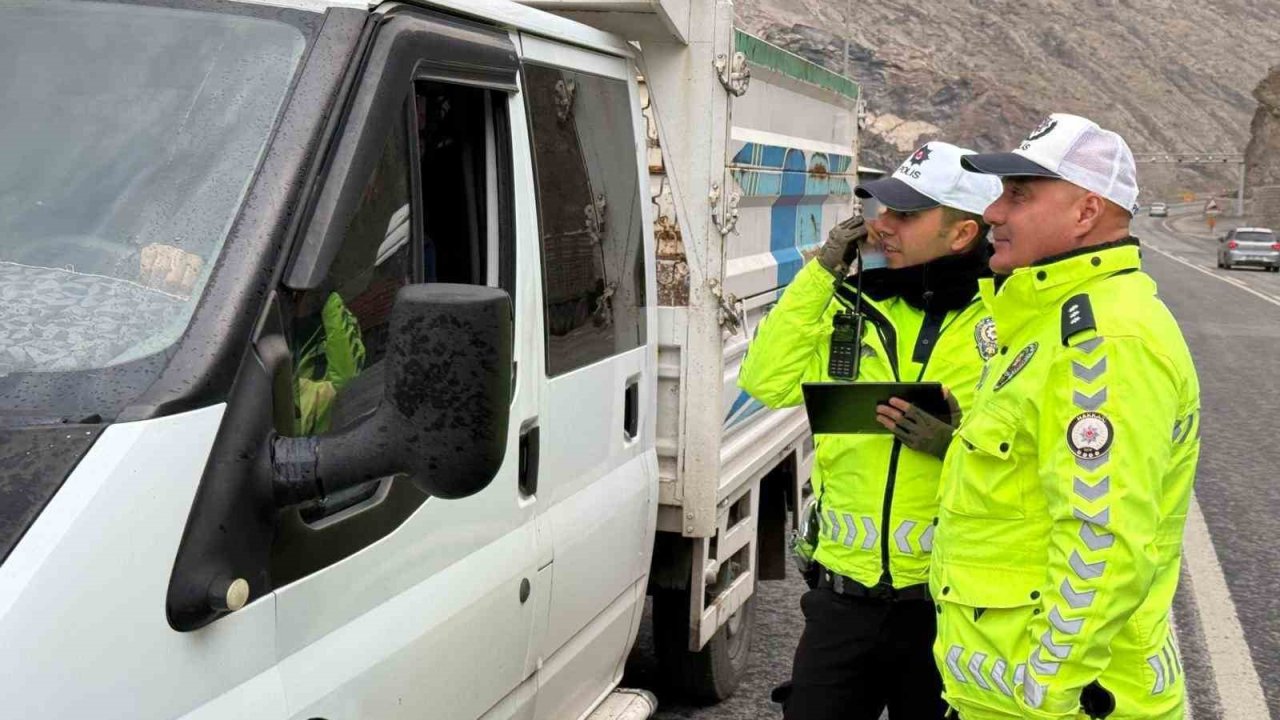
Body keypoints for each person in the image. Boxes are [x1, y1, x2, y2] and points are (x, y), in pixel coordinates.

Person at [906, 113, 1200, 719]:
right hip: (1005, 693)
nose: (993, 214)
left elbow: (1102, 539)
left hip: (1056, 704)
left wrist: (1046, 688)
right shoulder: (1044, 321)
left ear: (1085, 213)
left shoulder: (1106, 340)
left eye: (1018, 196)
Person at [739, 141, 1003, 719]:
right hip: (842, 607)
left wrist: (954, 446)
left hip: (948, 611)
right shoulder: (848, 306)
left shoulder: (1004, 325)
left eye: (905, 215)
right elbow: (765, 382)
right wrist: (821, 273)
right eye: (882, 210)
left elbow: (1030, 461)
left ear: (961, 235)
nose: (882, 225)